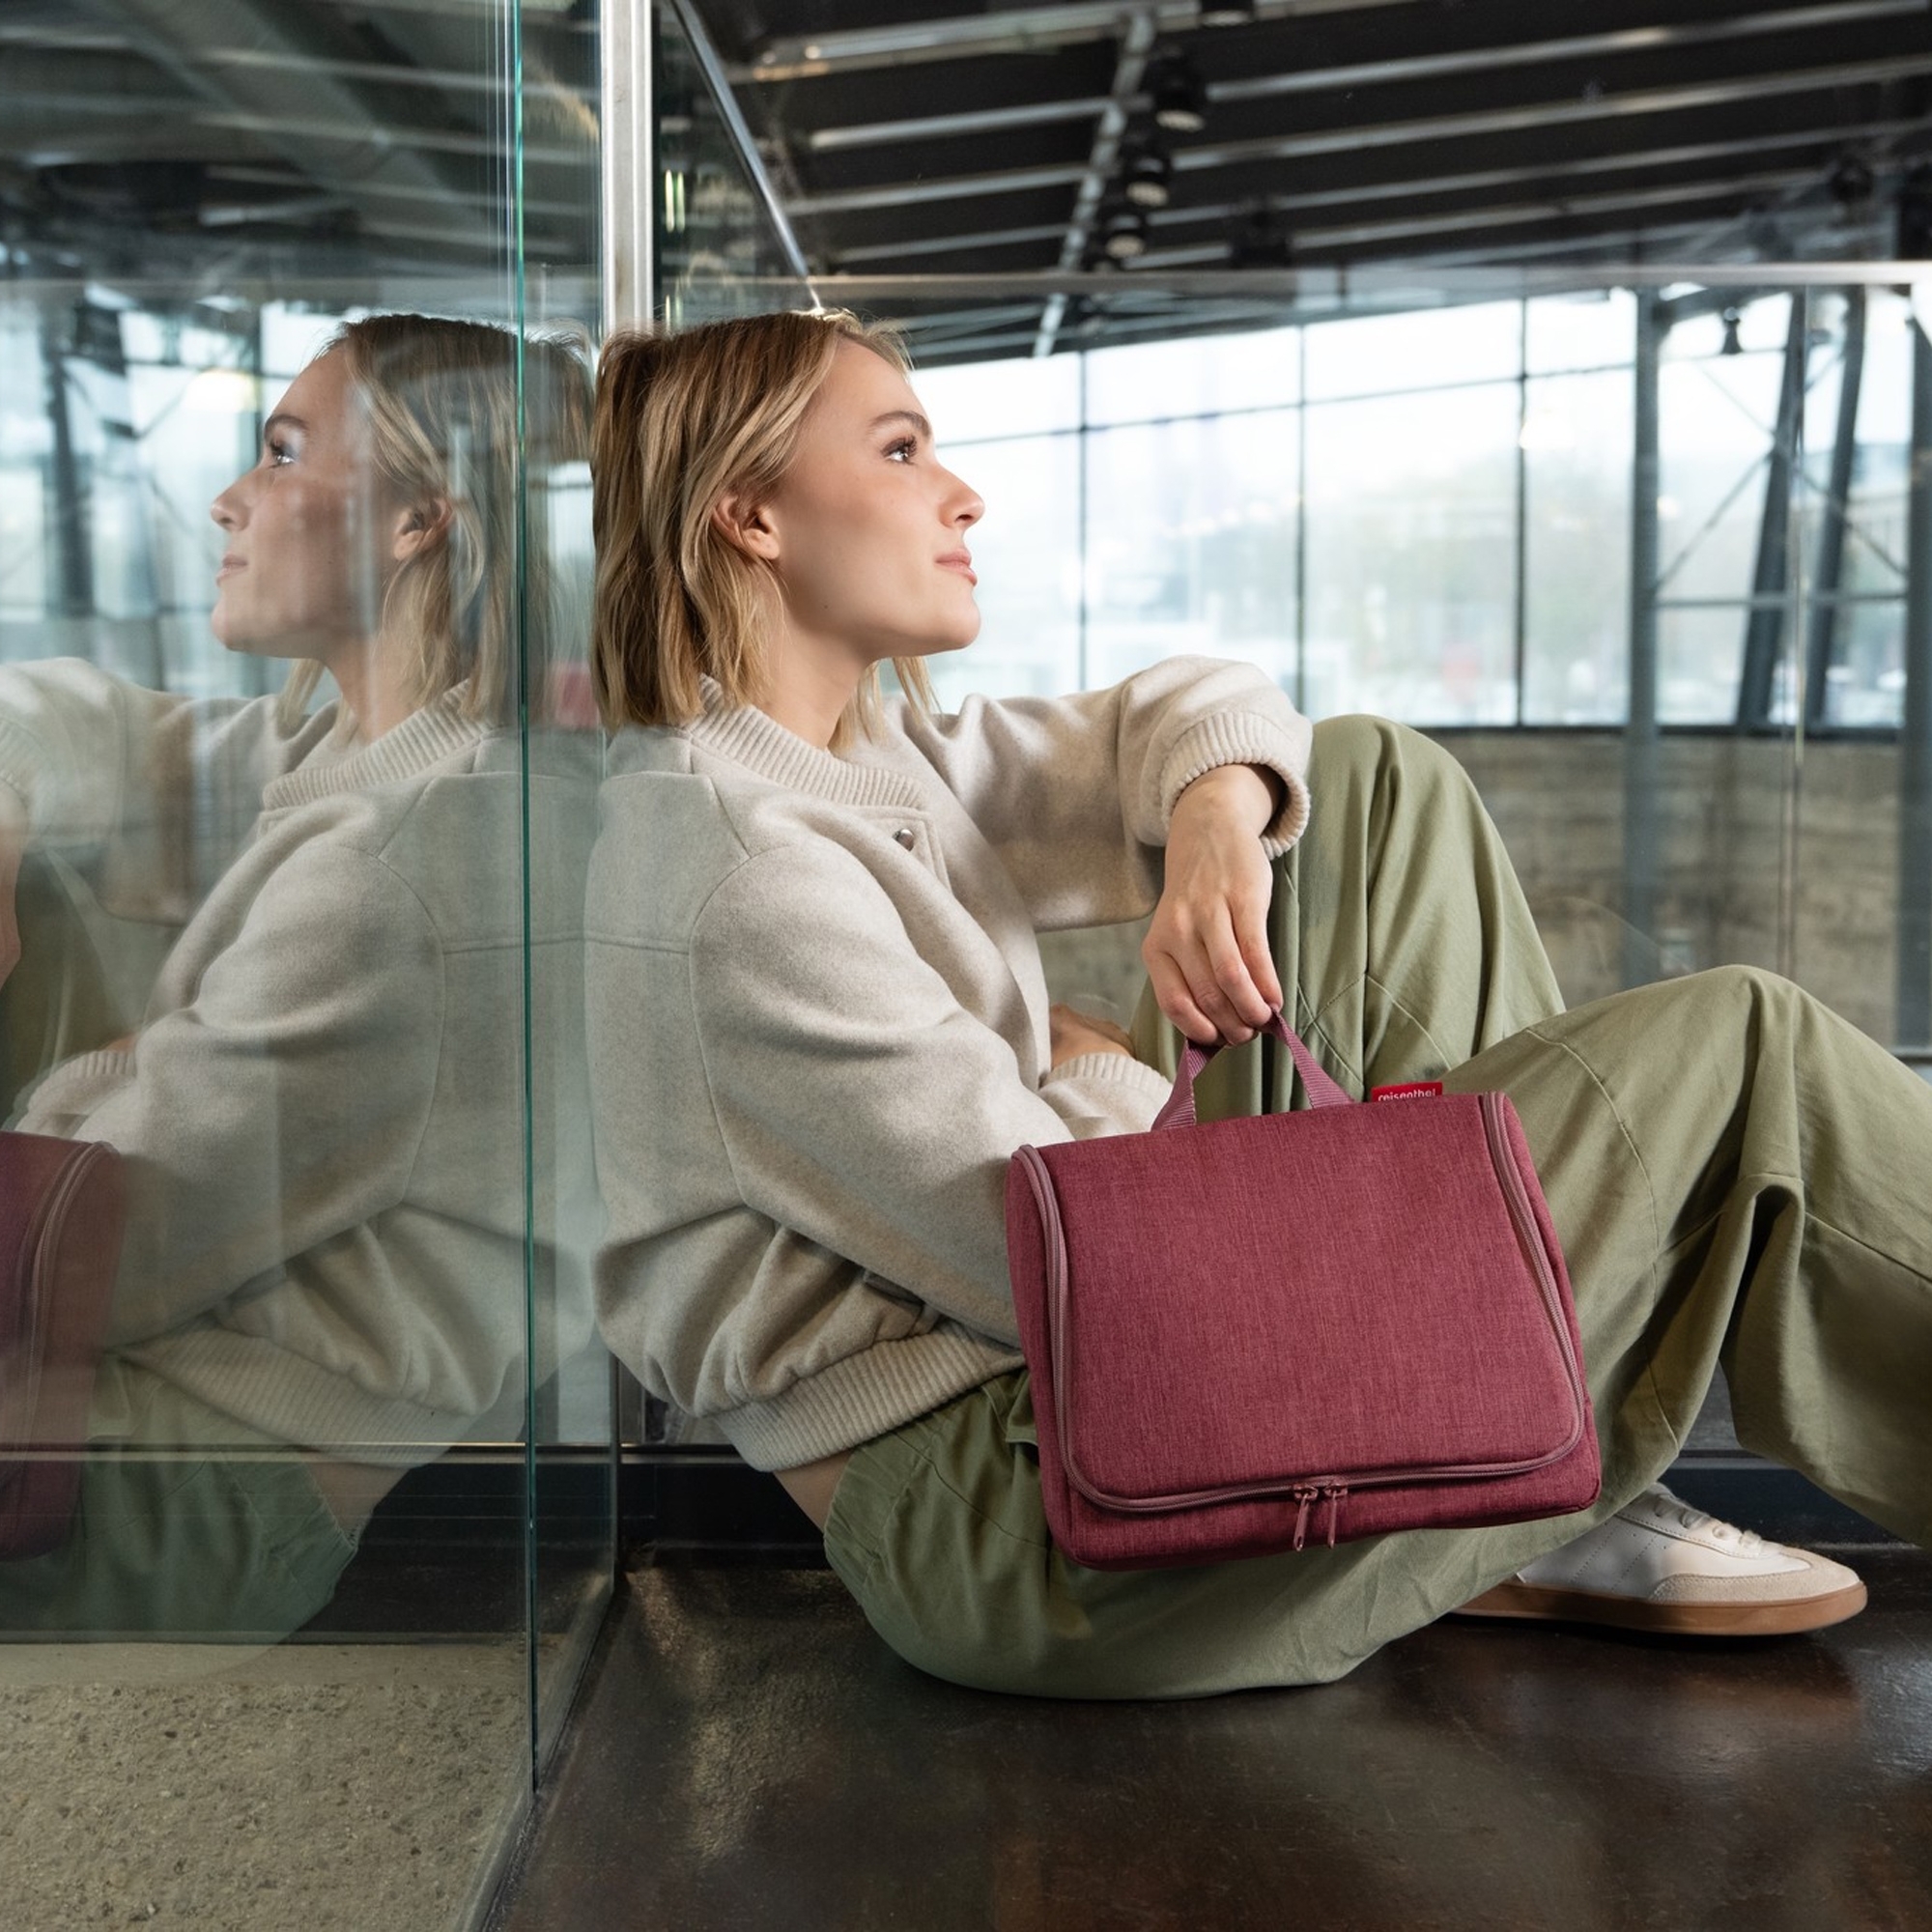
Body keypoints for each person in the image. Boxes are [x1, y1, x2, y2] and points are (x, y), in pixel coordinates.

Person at [585, 307, 1926, 1699]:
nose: (962, 492)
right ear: (750, 515)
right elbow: (1080, 1282)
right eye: (904, 449)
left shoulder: (872, 754)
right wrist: (1090, 1069)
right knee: (1748, 1054)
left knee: (1367, 782)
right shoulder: (738, 877)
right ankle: (1529, 1452)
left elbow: (1206, 705)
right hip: (1028, 1508)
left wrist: (1218, 822)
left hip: (1094, 1416)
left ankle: (1519, 1461)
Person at [0, 313, 598, 1637]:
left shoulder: (417, 861)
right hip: (173, 1386)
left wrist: (103, 1076)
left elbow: (105, 1257)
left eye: (280, 454)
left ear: (416, 521)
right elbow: (76, 726)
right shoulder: (345, 745)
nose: (230, 498)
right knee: (37, 876)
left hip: (204, 1481)